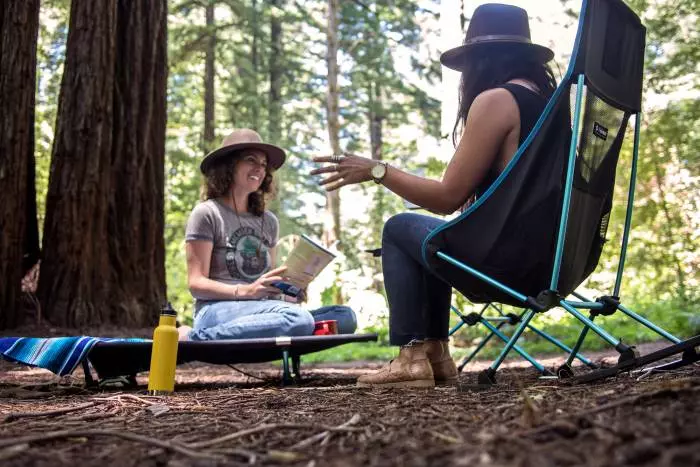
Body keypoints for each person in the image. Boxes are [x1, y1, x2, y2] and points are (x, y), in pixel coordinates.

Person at [311, 4, 557, 387]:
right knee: (434, 234)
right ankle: (436, 356)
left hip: (509, 264)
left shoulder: (497, 100)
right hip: (552, 260)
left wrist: (377, 170)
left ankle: (412, 356)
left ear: (481, 59)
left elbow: (446, 196)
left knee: (398, 228)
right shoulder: (550, 107)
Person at [179, 128, 357, 341]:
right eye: (251, 160)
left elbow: (268, 279)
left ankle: (286, 326)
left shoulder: (268, 221)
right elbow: (196, 284)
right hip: (216, 309)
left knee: (344, 316)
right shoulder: (207, 213)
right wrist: (246, 292)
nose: (259, 169)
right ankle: (195, 338)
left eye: (263, 164)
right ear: (228, 165)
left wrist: (288, 290)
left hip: (262, 309)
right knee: (299, 320)